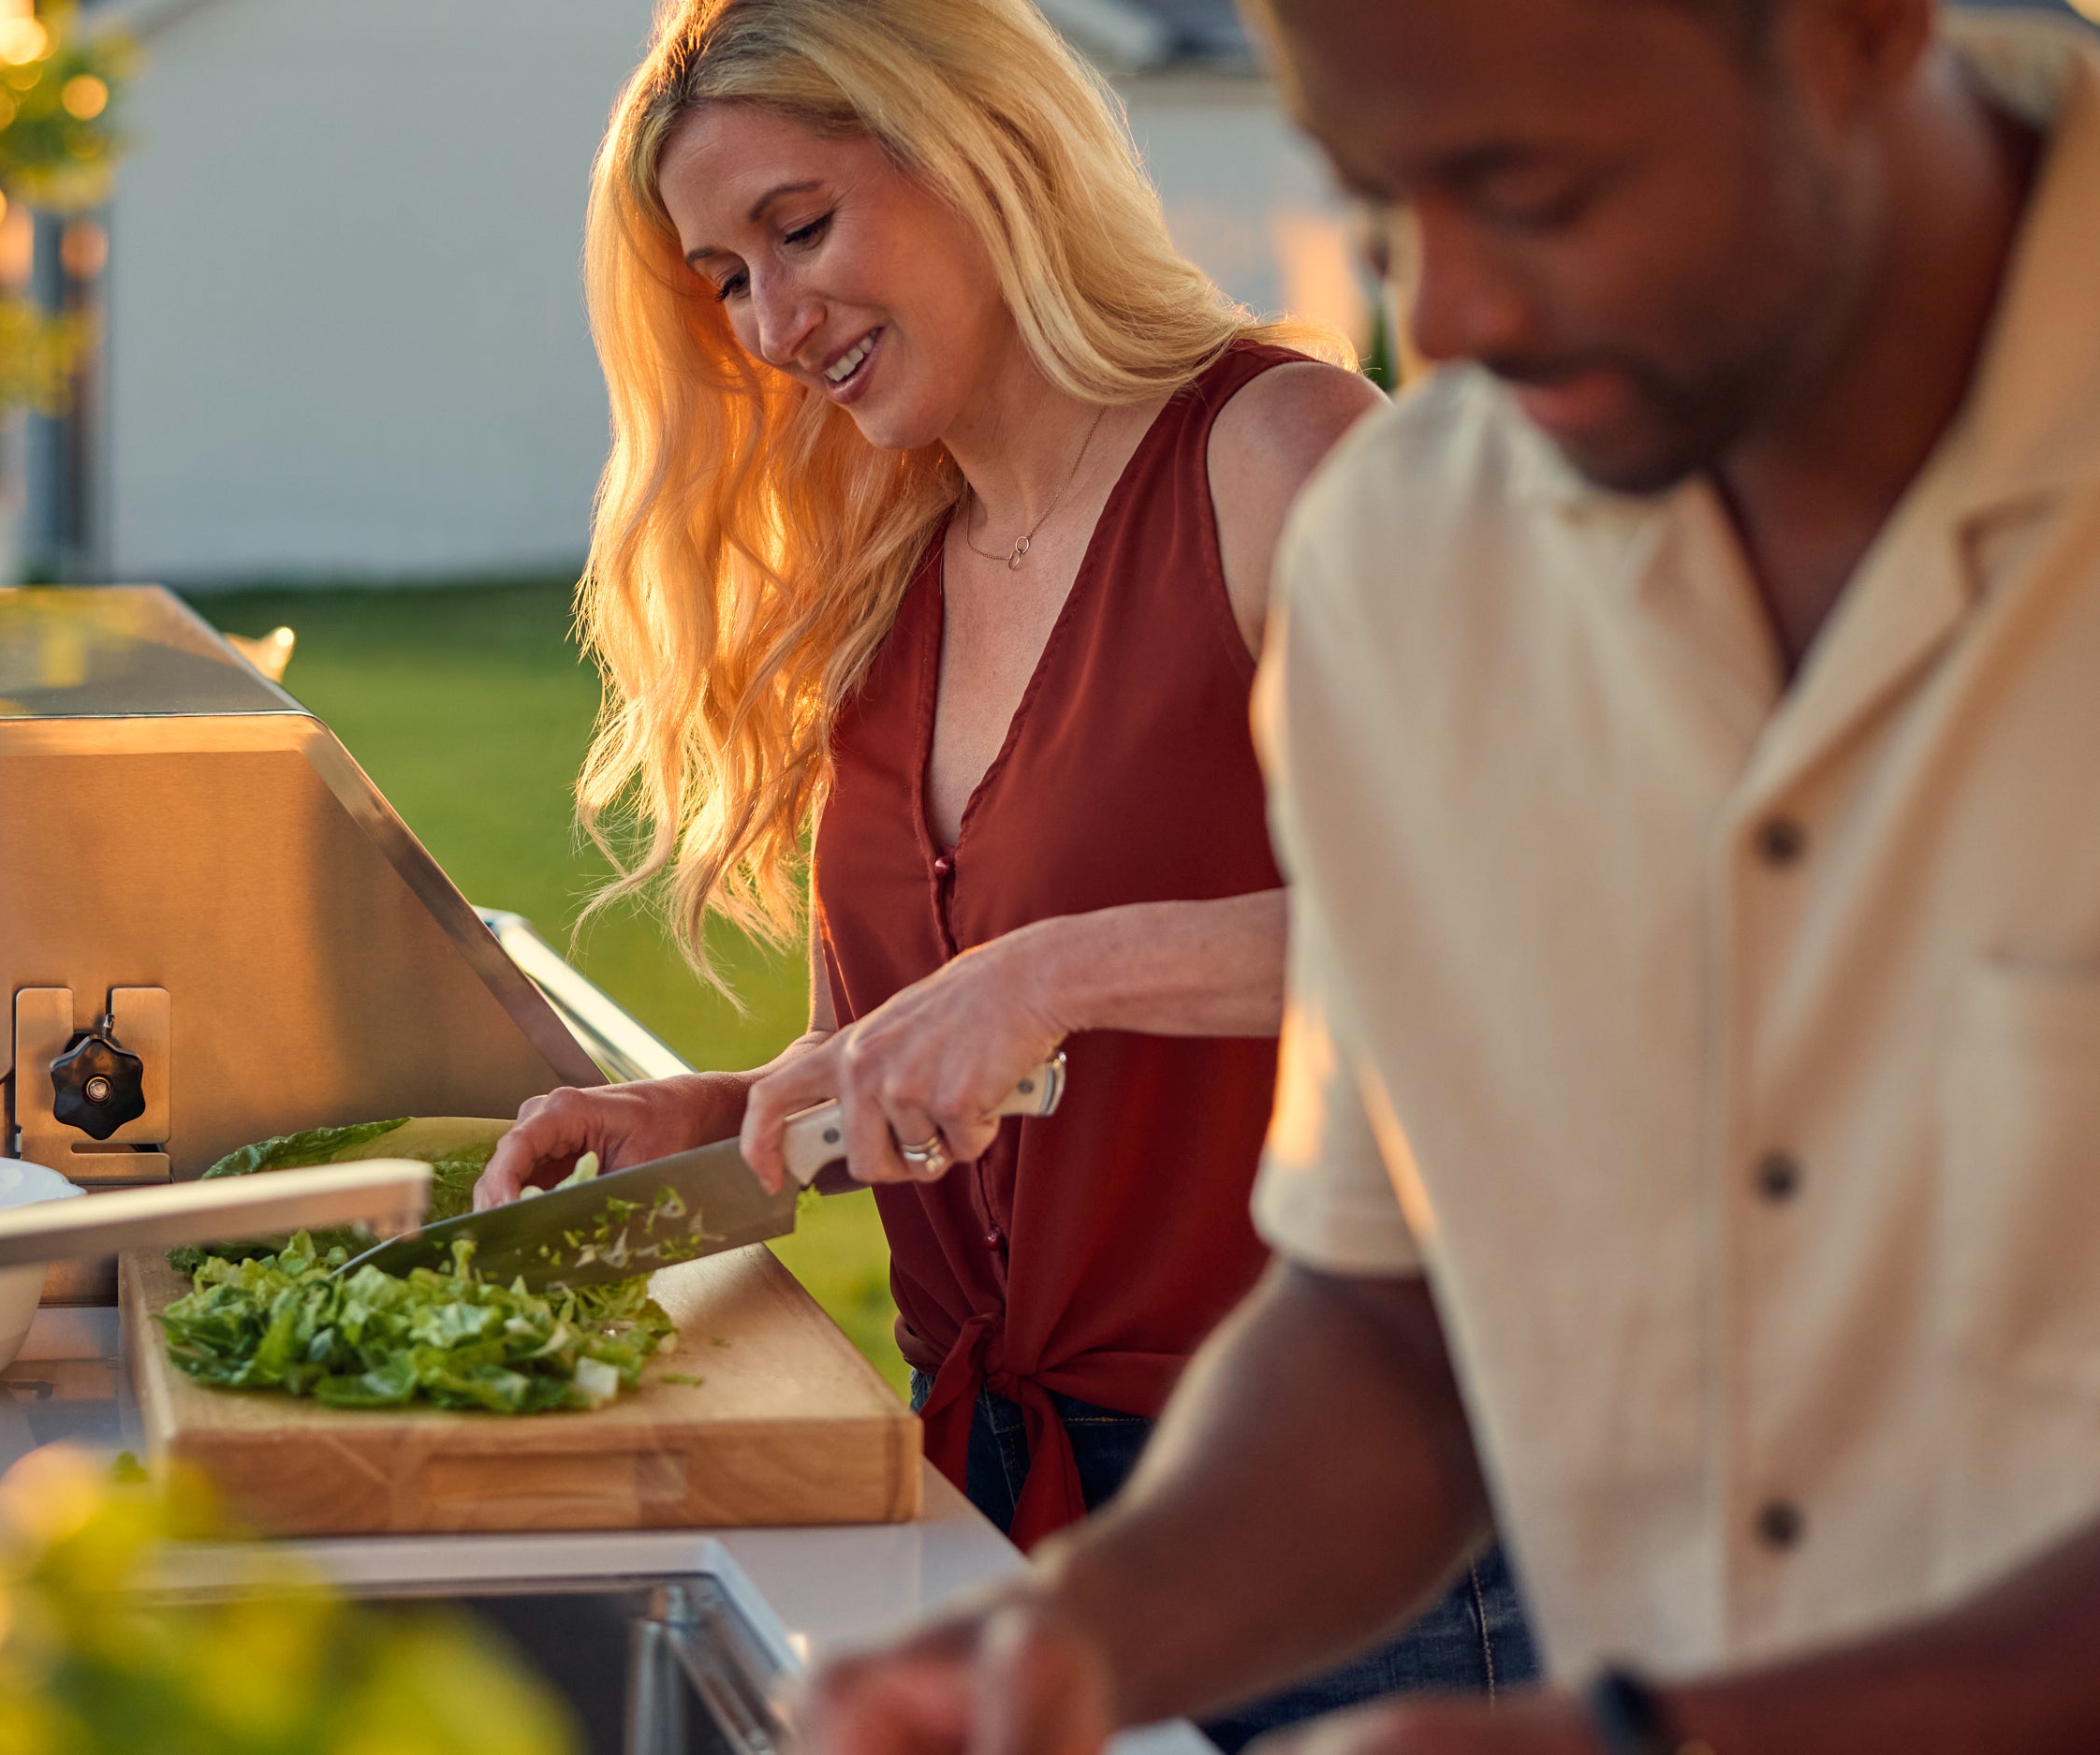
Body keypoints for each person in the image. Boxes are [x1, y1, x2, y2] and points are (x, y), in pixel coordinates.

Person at [800, 0, 2100, 1751]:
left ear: (1855, 31)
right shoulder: (1418, 549)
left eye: (1534, 190)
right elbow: (1395, 1317)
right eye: (1379, 204)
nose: (1451, 317)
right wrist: (1086, 1639)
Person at [474, 0, 1535, 1737]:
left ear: (988, 153)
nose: (771, 319)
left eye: (801, 227)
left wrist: (1055, 966)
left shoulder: (1279, 454)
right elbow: (936, 1089)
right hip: (993, 1504)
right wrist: (734, 1112)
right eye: (723, 276)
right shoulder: (892, 571)